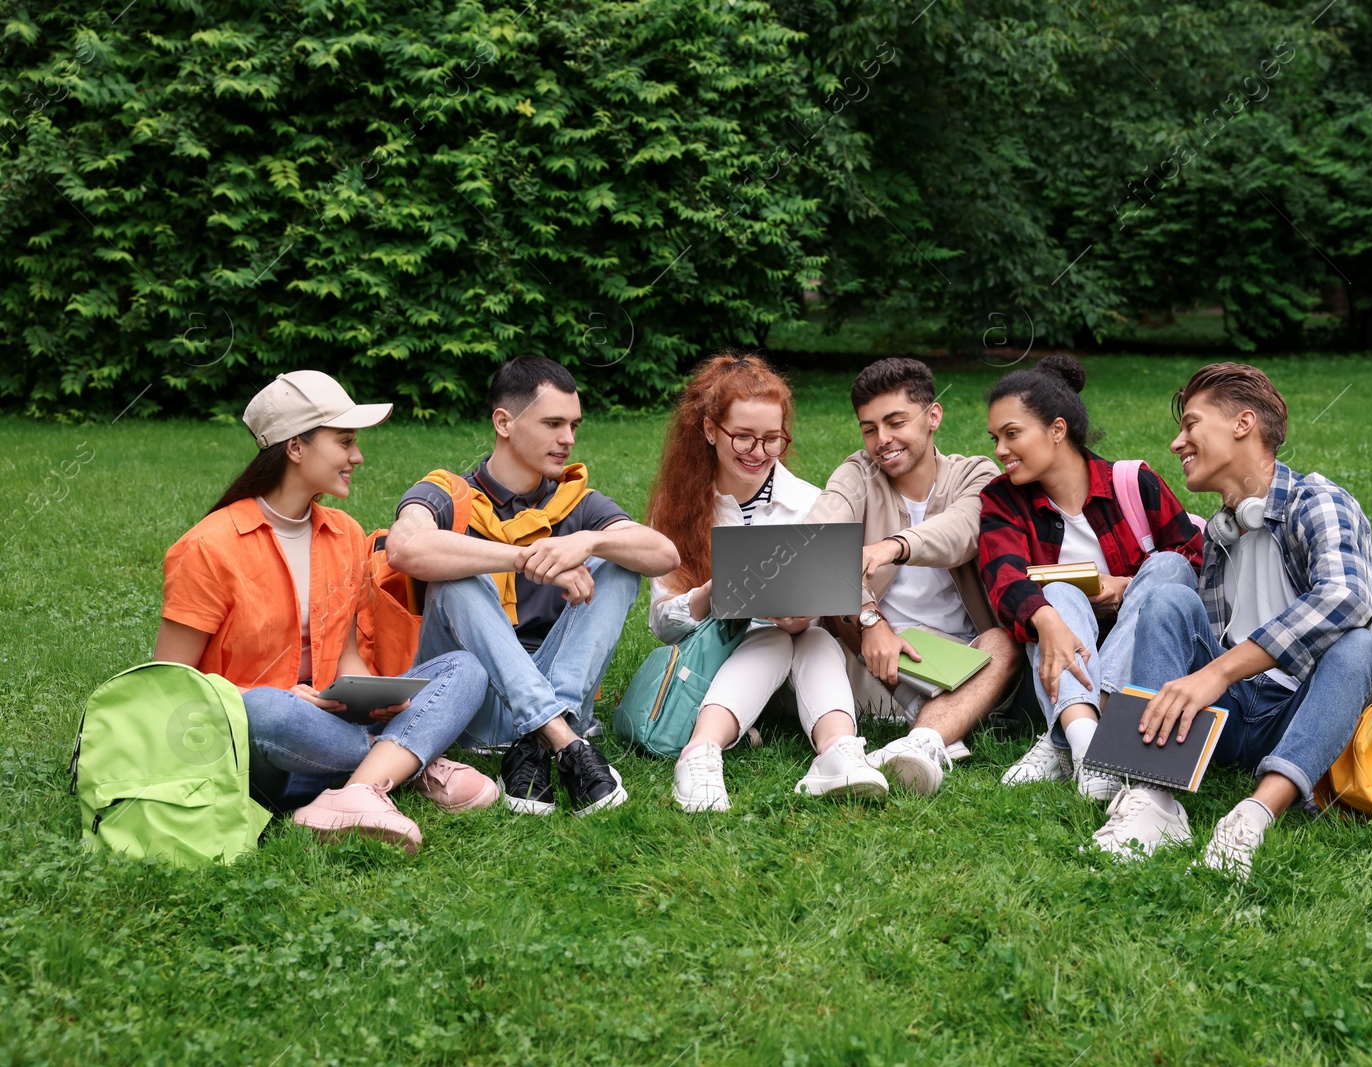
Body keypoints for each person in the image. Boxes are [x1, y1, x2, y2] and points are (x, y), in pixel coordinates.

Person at [155, 371, 494, 854]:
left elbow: (348, 654)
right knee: (267, 708)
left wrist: (365, 698)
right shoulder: (208, 548)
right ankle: (408, 763)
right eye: (345, 442)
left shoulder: (346, 533)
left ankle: (356, 788)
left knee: (465, 668)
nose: (357, 456)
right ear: (296, 447)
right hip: (259, 745)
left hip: (334, 724)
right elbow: (168, 687)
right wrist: (292, 701)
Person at [1087, 362, 1372, 878]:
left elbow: (1347, 597)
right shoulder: (1220, 535)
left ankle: (1254, 813)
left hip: (1303, 717)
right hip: (1225, 722)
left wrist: (1218, 672)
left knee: (1356, 644)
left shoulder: (1317, 501)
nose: (1177, 443)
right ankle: (1155, 798)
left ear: (1242, 424)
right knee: (1167, 599)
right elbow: (1194, 628)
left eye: (1190, 424)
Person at [384, 357, 679, 817]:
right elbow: (405, 549)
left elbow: (665, 554)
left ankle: (538, 738)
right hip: (471, 706)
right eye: (553, 423)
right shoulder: (447, 493)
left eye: (574, 425)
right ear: (504, 422)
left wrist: (592, 539)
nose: (568, 439)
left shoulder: (576, 503)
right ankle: (563, 739)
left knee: (620, 561)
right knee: (457, 577)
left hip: (554, 681)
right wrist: (523, 557)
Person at [649, 353, 888, 811]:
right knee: (773, 637)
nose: (758, 452)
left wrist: (805, 613)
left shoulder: (809, 503)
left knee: (808, 638)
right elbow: (663, 625)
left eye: (772, 439)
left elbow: (829, 600)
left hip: (797, 677)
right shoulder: (676, 508)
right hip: (710, 670)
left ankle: (838, 752)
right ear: (710, 430)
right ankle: (699, 753)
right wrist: (708, 595)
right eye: (742, 437)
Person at [978, 355, 1203, 799]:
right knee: (1056, 594)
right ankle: (1091, 749)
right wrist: (1047, 620)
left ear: (1057, 430)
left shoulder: (1133, 482)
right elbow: (1002, 579)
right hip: (1051, 659)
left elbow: (1192, 560)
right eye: (995, 438)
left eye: (1012, 434)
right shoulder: (1001, 500)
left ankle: (1071, 739)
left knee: (1167, 567)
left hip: (1138, 661)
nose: (1000, 450)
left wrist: (1126, 587)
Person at [804, 358, 1022, 795]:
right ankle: (938, 733)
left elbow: (963, 530)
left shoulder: (974, 473)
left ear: (932, 417)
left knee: (1005, 642)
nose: (882, 441)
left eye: (895, 422)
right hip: (876, 657)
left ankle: (921, 740)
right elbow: (818, 542)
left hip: (962, 661)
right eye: (869, 429)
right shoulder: (857, 475)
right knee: (815, 624)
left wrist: (892, 546)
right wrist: (870, 619)